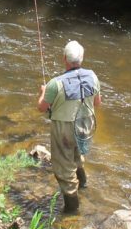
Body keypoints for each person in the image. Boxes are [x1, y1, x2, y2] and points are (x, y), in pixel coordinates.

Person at [37, 40, 101, 213]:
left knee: (64, 170)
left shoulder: (54, 84)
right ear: (82, 58)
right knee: (78, 156)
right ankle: (84, 185)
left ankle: (73, 211)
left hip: (63, 129)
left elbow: (42, 107)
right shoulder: (93, 76)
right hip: (86, 124)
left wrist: (43, 92)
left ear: (64, 58)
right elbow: (97, 103)